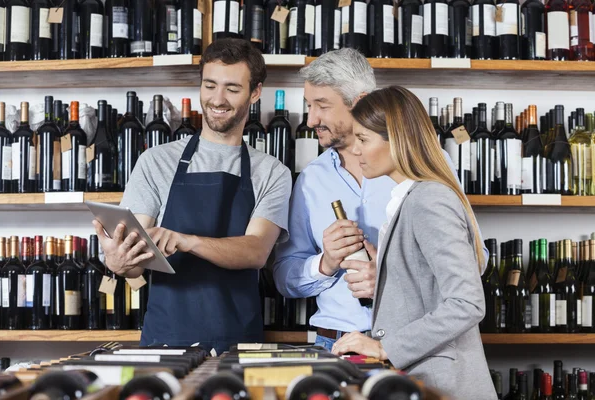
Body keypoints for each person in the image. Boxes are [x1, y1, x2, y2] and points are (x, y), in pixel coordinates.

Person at [273, 48, 486, 351]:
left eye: (322, 106)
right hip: (335, 344)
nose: (311, 119)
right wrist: (326, 262)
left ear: (359, 103)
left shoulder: (424, 166)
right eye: (308, 105)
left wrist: (389, 282)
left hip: (413, 345)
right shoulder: (311, 179)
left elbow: (476, 260)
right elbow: (283, 277)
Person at [92, 39, 292, 353]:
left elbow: (256, 251)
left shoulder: (272, 171)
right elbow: (134, 264)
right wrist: (118, 259)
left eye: (232, 88)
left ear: (255, 92)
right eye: (209, 85)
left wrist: (188, 241)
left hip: (240, 344)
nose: (218, 99)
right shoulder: (155, 161)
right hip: (165, 339)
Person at [330, 86, 496, 400]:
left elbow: (467, 303)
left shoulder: (428, 200)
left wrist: (383, 346)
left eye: (363, 139)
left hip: (444, 384)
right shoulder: (409, 198)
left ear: (396, 138)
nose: (355, 151)